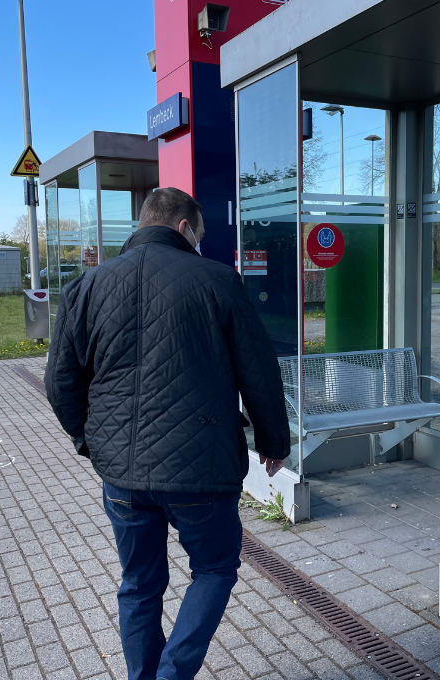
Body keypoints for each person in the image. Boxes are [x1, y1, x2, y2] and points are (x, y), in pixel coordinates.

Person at [45, 187, 290, 680]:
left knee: (138, 584)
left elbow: (60, 382)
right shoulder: (219, 280)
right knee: (216, 569)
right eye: (199, 233)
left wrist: (89, 440)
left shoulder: (86, 287)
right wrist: (273, 442)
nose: (201, 242)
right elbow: (258, 371)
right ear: (183, 227)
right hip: (201, 468)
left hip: (122, 475)